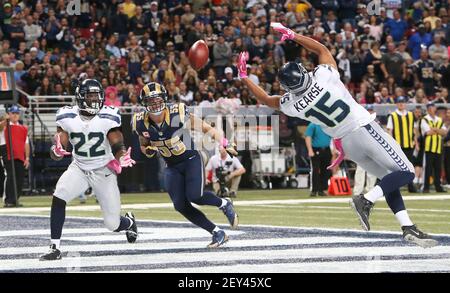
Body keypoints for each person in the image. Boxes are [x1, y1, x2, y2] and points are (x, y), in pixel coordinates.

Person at [237, 22, 438, 248]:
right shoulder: (324, 77)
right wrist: (293, 35)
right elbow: (322, 50)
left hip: (348, 144)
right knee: (406, 172)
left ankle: (407, 226)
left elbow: (266, 100)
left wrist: (244, 76)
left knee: (388, 180)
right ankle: (366, 200)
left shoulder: (293, 105)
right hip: (363, 129)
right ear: (303, 73)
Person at [40, 79, 138, 261]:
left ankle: (129, 222)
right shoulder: (66, 116)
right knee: (59, 196)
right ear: (80, 97)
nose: (94, 100)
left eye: (97, 96)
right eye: (90, 96)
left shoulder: (108, 116)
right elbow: (59, 149)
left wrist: (122, 156)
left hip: (103, 169)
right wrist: (56, 151)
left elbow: (117, 143)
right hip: (79, 167)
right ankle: (55, 247)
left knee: (112, 224)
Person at [132, 82, 238, 248]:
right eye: (150, 101)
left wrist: (225, 142)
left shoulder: (177, 113)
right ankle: (217, 232)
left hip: (190, 160)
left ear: (165, 99)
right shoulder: (140, 122)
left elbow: (204, 127)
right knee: (180, 205)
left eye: (157, 100)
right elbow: (143, 145)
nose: (154, 104)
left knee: (196, 196)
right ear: (144, 103)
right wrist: (148, 151)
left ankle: (224, 204)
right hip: (171, 166)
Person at [386, 96, 418, 193]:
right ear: (397, 104)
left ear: (405, 103)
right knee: (396, 167)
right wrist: (392, 144)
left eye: (403, 102)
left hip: (409, 144)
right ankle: (395, 187)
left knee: (409, 166)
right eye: (399, 102)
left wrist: (415, 142)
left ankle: (410, 186)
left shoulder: (411, 115)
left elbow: (414, 130)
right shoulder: (393, 116)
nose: (401, 104)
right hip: (398, 146)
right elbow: (389, 131)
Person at [1, 105, 30, 207]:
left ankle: (15, 199)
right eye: (13, 113)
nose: (15, 115)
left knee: (19, 177)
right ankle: (8, 200)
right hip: (7, 152)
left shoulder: (22, 128)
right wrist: (6, 120)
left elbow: (26, 143)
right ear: (9, 114)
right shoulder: (5, 125)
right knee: (10, 176)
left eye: (17, 113)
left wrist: (27, 157)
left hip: (19, 153)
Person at [420, 102, 447, 193]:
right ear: (428, 109)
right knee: (428, 169)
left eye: (433, 107)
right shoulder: (425, 119)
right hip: (429, 148)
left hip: (438, 147)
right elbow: (427, 132)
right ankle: (426, 187)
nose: (432, 109)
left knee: (438, 169)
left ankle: (438, 187)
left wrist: (434, 129)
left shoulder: (439, 119)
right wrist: (438, 130)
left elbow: (444, 132)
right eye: (430, 107)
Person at [304, 122, 331, 196]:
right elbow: (308, 137)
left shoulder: (327, 124)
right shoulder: (313, 124)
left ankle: (322, 189)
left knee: (325, 170)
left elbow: (333, 136)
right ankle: (314, 190)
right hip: (316, 149)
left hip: (326, 149)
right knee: (315, 170)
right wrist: (310, 150)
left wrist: (333, 148)